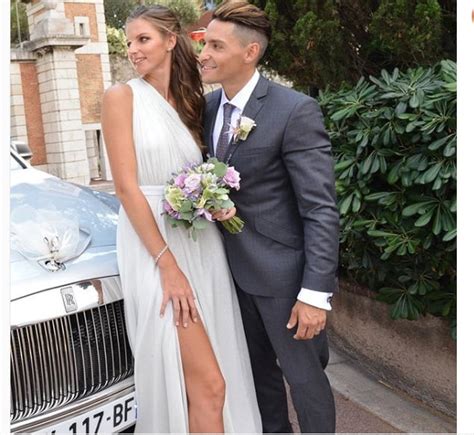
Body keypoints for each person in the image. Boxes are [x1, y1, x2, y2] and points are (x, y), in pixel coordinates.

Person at [101, 5, 261, 433]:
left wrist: (218, 202)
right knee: (209, 384)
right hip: (154, 250)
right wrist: (167, 267)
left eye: (143, 39)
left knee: (211, 383)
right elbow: (126, 189)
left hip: (201, 244)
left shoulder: (195, 103)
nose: (133, 50)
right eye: (129, 42)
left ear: (171, 41)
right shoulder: (121, 98)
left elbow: (203, 171)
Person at [200, 1, 340, 433]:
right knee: (258, 383)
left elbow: (319, 208)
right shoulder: (205, 109)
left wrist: (315, 293)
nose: (203, 53)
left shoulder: (294, 110)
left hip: (284, 282)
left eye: (216, 46)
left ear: (250, 52)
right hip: (227, 277)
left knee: (306, 384)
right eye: (204, 43)